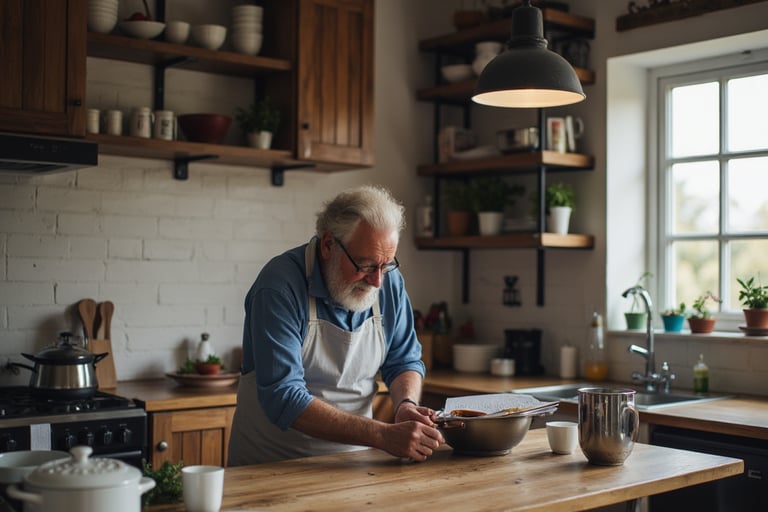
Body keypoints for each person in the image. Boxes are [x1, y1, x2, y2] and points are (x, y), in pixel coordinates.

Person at [228, 185, 444, 465]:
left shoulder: (387, 281)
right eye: (365, 265)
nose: (377, 281)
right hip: (272, 464)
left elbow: (404, 360)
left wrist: (406, 405)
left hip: (354, 462)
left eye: (386, 265)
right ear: (329, 244)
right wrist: (381, 435)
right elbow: (283, 396)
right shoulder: (279, 286)